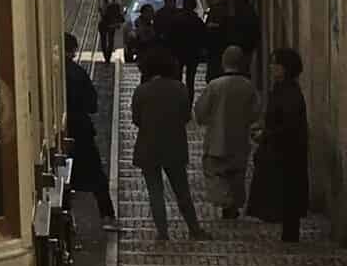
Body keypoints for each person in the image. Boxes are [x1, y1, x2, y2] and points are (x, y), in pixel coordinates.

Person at [131, 44, 207, 243]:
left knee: (155, 192)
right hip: (174, 145)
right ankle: (194, 229)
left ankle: (163, 233)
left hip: (148, 147)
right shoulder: (180, 89)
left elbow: (136, 119)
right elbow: (185, 117)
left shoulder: (141, 91)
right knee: (182, 190)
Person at [247, 48, 310, 244]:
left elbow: (288, 125)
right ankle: (289, 234)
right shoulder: (282, 90)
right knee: (286, 194)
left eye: (275, 64)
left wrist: (265, 134)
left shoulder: (289, 93)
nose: (271, 67)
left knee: (288, 193)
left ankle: (291, 236)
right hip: (282, 150)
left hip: (287, 153)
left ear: (286, 67)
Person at [193, 45, 259, 218]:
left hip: (217, 139)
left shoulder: (214, 86)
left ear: (223, 62)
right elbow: (255, 113)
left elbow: (200, 111)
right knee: (237, 176)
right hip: (239, 140)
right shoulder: (248, 86)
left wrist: (207, 120)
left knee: (216, 174)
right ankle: (233, 206)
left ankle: (227, 202)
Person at [64, 35, 117, 230]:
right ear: (73, 50)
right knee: (96, 176)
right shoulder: (78, 73)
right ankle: (107, 216)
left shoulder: (47, 72)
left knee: (62, 180)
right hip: (81, 130)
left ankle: (69, 221)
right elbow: (92, 105)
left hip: (64, 130)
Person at [171, 0, 208, 108]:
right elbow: (203, 37)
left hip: (179, 53)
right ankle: (188, 103)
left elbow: (172, 36)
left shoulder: (177, 19)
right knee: (190, 80)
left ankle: (178, 100)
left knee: (177, 78)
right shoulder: (197, 21)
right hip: (192, 54)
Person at [96, 0, 123, 65]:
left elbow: (100, 8)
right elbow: (119, 5)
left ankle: (106, 57)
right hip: (112, 21)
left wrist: (103, 14)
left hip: (104, 21)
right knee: (111, 39)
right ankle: (109, 56)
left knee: (103, 39)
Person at [203, 0, 225, 81]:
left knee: (214, 67)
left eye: (207, 0)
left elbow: (220, 25)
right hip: (215, 45)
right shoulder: (215, 8)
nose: (206, 2)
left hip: (215, 44)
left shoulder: (217, 9)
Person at [128, 1, 156, 65]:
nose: (151, 14)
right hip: (142, 52)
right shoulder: (137, 24)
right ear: (143, 13)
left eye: (152, 12)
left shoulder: (152, 23)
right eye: (149, 12)